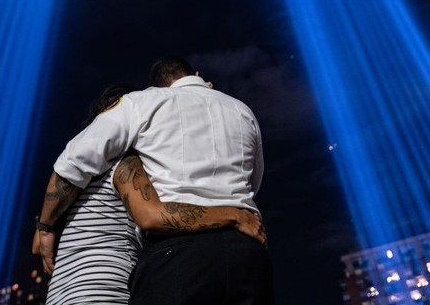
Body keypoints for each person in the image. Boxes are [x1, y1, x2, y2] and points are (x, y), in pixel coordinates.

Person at [37, 57, 273, 305]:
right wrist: (234, 215)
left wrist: (45, 227)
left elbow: (72, 162)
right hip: (248, 249)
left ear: (158, 87)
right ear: (197, 75)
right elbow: (251, 185)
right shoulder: (242, 111)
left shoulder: (141, 103)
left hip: (178, 254)